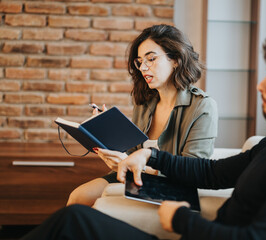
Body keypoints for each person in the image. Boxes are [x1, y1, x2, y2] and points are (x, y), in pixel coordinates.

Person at [22, 31, 266, 240]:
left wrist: (180, 218)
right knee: (74, 218)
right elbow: (211, 172)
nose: (261, 85)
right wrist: (149, 154)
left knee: (74, 222)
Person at [66, 24, 218, 206]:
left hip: (170, 187)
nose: (143, 67)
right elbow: (131, 153)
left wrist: (137, 166)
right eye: (139, 62)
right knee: (78, 196)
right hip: (135, 177)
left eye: (151, 59)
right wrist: (108, 134)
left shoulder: (203, 106)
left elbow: (193, 171)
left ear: (176, 59)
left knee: (98, 204)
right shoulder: (145, 102)